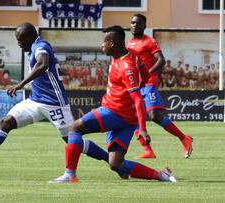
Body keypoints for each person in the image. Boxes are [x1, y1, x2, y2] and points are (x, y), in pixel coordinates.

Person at [0, 22, 111, 173]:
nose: (18, 44)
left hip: (54, 103)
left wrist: (21, 84)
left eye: (20, 40)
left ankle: (110, 159)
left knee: (71, 139)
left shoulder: (41, 46)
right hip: (35, 101)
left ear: (29, 38)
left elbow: (43, 63)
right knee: (6, 123)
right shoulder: (34, 47)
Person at [50, 25, 176, 183]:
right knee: (116, 164)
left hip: (115, 112)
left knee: (75, 127)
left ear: (113, 43)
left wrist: (143, 129)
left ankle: (70, 174)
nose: (101, 45)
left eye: (104, 42)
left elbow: (138, 98)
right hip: (128, 119)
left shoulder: (126, 66)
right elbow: (145, 75)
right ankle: (160, 175)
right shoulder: (133, 55)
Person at [126, 14, 193, 159]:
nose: (134, 25)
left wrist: (146, 73)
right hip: (136, 86)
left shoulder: (149, 41)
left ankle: (184, 138)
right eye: (132, 23)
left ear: (144, 26)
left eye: (137, 23)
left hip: (148, 83)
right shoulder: (129, 43)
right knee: (134, 118)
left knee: (154, 115)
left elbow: (161, 61)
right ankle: (148, 150)